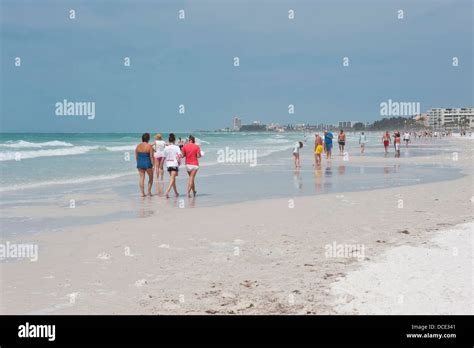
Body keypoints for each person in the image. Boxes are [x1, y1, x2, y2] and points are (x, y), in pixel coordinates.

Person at [135, 133, 154, 197]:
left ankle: (142, 193)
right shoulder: (149, 146)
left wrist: (138, 162)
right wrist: (152, 164)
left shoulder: (138, 146)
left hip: (140, 162)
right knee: (151, 177)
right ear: (148, 139)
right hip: (147, 163)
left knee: (141, 178)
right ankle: (149, 192)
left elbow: (136, 157)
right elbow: (151, 157)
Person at [164, 133, 181, 198]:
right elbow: (179, 156)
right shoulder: (177, 147)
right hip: (174, 164)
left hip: (168, 165)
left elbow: (164, 156)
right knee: (172, 179)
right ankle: (167, 192)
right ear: (174, 140)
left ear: (169, 141)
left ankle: (176, 192)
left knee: (173, 179)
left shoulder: (166, 148)